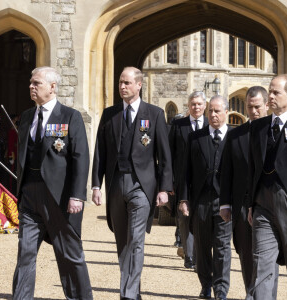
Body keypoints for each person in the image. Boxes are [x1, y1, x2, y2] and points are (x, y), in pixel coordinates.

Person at [91, 66, 173, 300]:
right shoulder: (110, 114)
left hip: (142, 186)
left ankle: (127, 293)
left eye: (127, 83)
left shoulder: (155, 113)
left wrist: (164, 188)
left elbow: (164, 155)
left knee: (136, 239)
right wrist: (96, 185)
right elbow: (100, 152)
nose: (122, 87)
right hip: (116, 183)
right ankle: (132, 290)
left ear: (139, 85)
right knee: (122, 241)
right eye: (120, 82)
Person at [12, 67, 93, 300]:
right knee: (25, 253)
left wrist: (77, 195)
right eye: (30, 82)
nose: (31, 86)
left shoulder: (70, 116)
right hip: (29, 194)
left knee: (69, 253)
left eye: (36, 83)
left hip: (59, 197)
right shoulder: (27, 116)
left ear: (52, 87)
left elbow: (80, 158)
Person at [220, 86, 279, 296]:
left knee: (266, 259)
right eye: (249, 107)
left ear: (266, 105)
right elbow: (226, 172)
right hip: (242, 208)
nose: (253, 111)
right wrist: (225, 204)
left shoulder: (275, 133)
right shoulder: (235, 135)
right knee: (246, 257)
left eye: (257, 107)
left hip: (268, 207)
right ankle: (251, 293)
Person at [179, 95, 232, 300]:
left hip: (224, 201)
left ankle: (220, 289)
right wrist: (184, 199)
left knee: (222, 247)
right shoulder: (196, 138)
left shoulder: (234, 137)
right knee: (202, 246)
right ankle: (206, 284)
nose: (212, 114)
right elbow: (186, 171)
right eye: (210, 110)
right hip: (201, 200)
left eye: (217, 111)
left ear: (226, 112)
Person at [246, 74, 287, 299]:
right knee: (261, 264)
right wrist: (251, 203)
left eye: (276, 92)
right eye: (269, 91)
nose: (270, 96)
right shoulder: (259, 127)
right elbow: (253, 168)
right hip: (262, 203)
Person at [169, 91, 208, 268]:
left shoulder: (210, 124)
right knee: (184, 219)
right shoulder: (178, 125)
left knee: (203, 219)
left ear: (205, 106)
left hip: (206, 183)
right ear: (188, 105)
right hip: (182, 180)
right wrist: (168, 182)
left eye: (199, 104)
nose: (196, 107)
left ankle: (202, 254)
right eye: (193, 104)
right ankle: (189, 255)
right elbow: (168, 154)